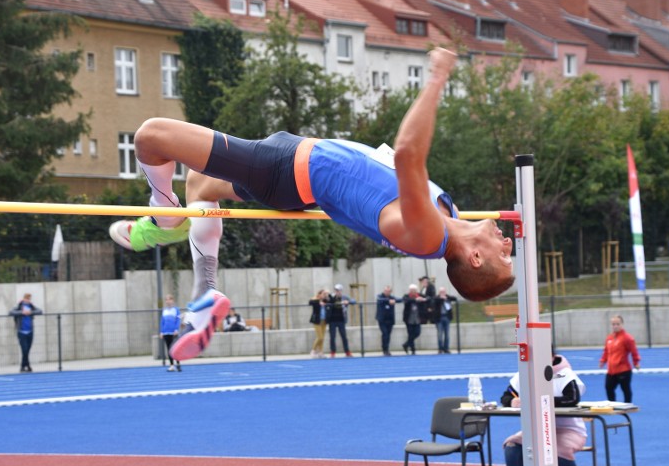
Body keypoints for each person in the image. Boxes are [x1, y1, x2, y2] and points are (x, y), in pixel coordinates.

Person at [108, 48, 514, 362]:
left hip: (284, 170)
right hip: (294, 172)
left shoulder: (430, 234)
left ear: (475, 257)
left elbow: (408, 153)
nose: (509, 244)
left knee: (150, 137)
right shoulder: (451, 216)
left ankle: (163, 218)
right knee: (199, 185)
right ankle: (202, 292)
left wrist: (438, 77)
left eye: (505, 256)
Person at [502, 353, 587, 466]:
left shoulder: (564, 374)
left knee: (558, 448)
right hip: (538, 429)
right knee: (512, 445)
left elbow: (572, 398)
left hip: (569, 430)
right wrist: (512, 402)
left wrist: (542, 400)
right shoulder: (524, 374)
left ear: (553, 357)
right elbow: (506, 396)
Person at [599, 315, 640, 403]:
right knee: (608, 387)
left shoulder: (627, 338)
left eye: (618, 324)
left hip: (623, 370)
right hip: (611, 371)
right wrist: (603, 360)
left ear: (622, 324)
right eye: (613, 324)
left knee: (625, 389)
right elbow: (606, 351)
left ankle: (628, 405)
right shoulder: (609, 338)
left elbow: (634, 351)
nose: (615, 326)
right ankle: (612, 404)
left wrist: (636, 362)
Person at [9, 293, 43, 373]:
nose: (28, 300)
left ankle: (25, 366)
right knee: (24, 349)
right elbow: (11, 312)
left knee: (27, 350)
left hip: (30, 331)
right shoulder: (19, 306)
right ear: (24, 299)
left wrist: (30, 312)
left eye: (29, 299)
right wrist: (22, 312)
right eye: (27, 298)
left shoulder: (31, 306)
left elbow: (40, 311)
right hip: (21, 331)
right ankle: (24, 366)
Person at [326, 284, 355, 358]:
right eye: (336, 290)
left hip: (341, 320)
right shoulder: (331, 297)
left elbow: (353, 301)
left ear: (341, 291)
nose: (337, 292)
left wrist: (348, 302)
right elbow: (325, 301)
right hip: (332, 320)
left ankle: (347, 352)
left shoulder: (344, 297)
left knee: (344, 336)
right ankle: (333, 352)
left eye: (338, 290)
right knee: (332, 337)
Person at [160, 294, 181, 372]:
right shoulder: (164, 311)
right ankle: (172, 365)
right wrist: (161, 331)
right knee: (169, 349)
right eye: (166, 299)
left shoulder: (176, 310)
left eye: (169, 299)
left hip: (173, 333)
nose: (168, 301)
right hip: (166, 332)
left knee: (175, 348)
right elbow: (162, 322)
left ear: (172, 300)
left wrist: (176, 329)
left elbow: (178, 320)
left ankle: (178, 363)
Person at [432, 286, 457, 354]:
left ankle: (446, 348)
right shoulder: (437, 298)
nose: (442, 293)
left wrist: (446, 298)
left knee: (447, 334)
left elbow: (454, 298)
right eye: (441, 292)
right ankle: (440, 348)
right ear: (439, 293)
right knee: (440, 334)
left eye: (443, 292)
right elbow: (435, 300)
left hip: (447, 318)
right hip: (439, 318)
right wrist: (441, 298)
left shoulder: (447, 297)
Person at [401, 284, 424, 354]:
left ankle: (406, 344)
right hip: (409, 319)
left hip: (417, 319)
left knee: (417, 333)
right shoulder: (406, 296)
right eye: (412, 290)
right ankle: (413, 350)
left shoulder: (420, 295)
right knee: (410, 334)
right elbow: (406, 301)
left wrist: (422, 299)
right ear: (410, 291)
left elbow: (429, 298)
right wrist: (415, 299)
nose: (413, 292)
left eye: (415, 290)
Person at [375, 285, 398, 356]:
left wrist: (394, 300)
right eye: (385, 291)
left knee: (388, 334)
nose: (387, 292)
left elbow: (399, 299)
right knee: (385, 334)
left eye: (388, 291)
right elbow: (380, 300)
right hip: (382, 319)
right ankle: (384, 349)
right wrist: (389, 301)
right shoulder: (380, 296)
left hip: (390, 319)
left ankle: (387, 348)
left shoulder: (392, 297)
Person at [308, 288, 329, 358]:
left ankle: (320, 352)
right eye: (323, 294)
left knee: (322, 337)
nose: (324, 295)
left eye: (325, 294)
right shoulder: (315, 299)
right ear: (319, 294)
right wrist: (318, 302)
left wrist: (327, 295)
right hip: (317, 320)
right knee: (319, 337)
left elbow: (330, 300)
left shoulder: (325, 300)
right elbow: (310, 302)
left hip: (324, 320)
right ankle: (313, 350)